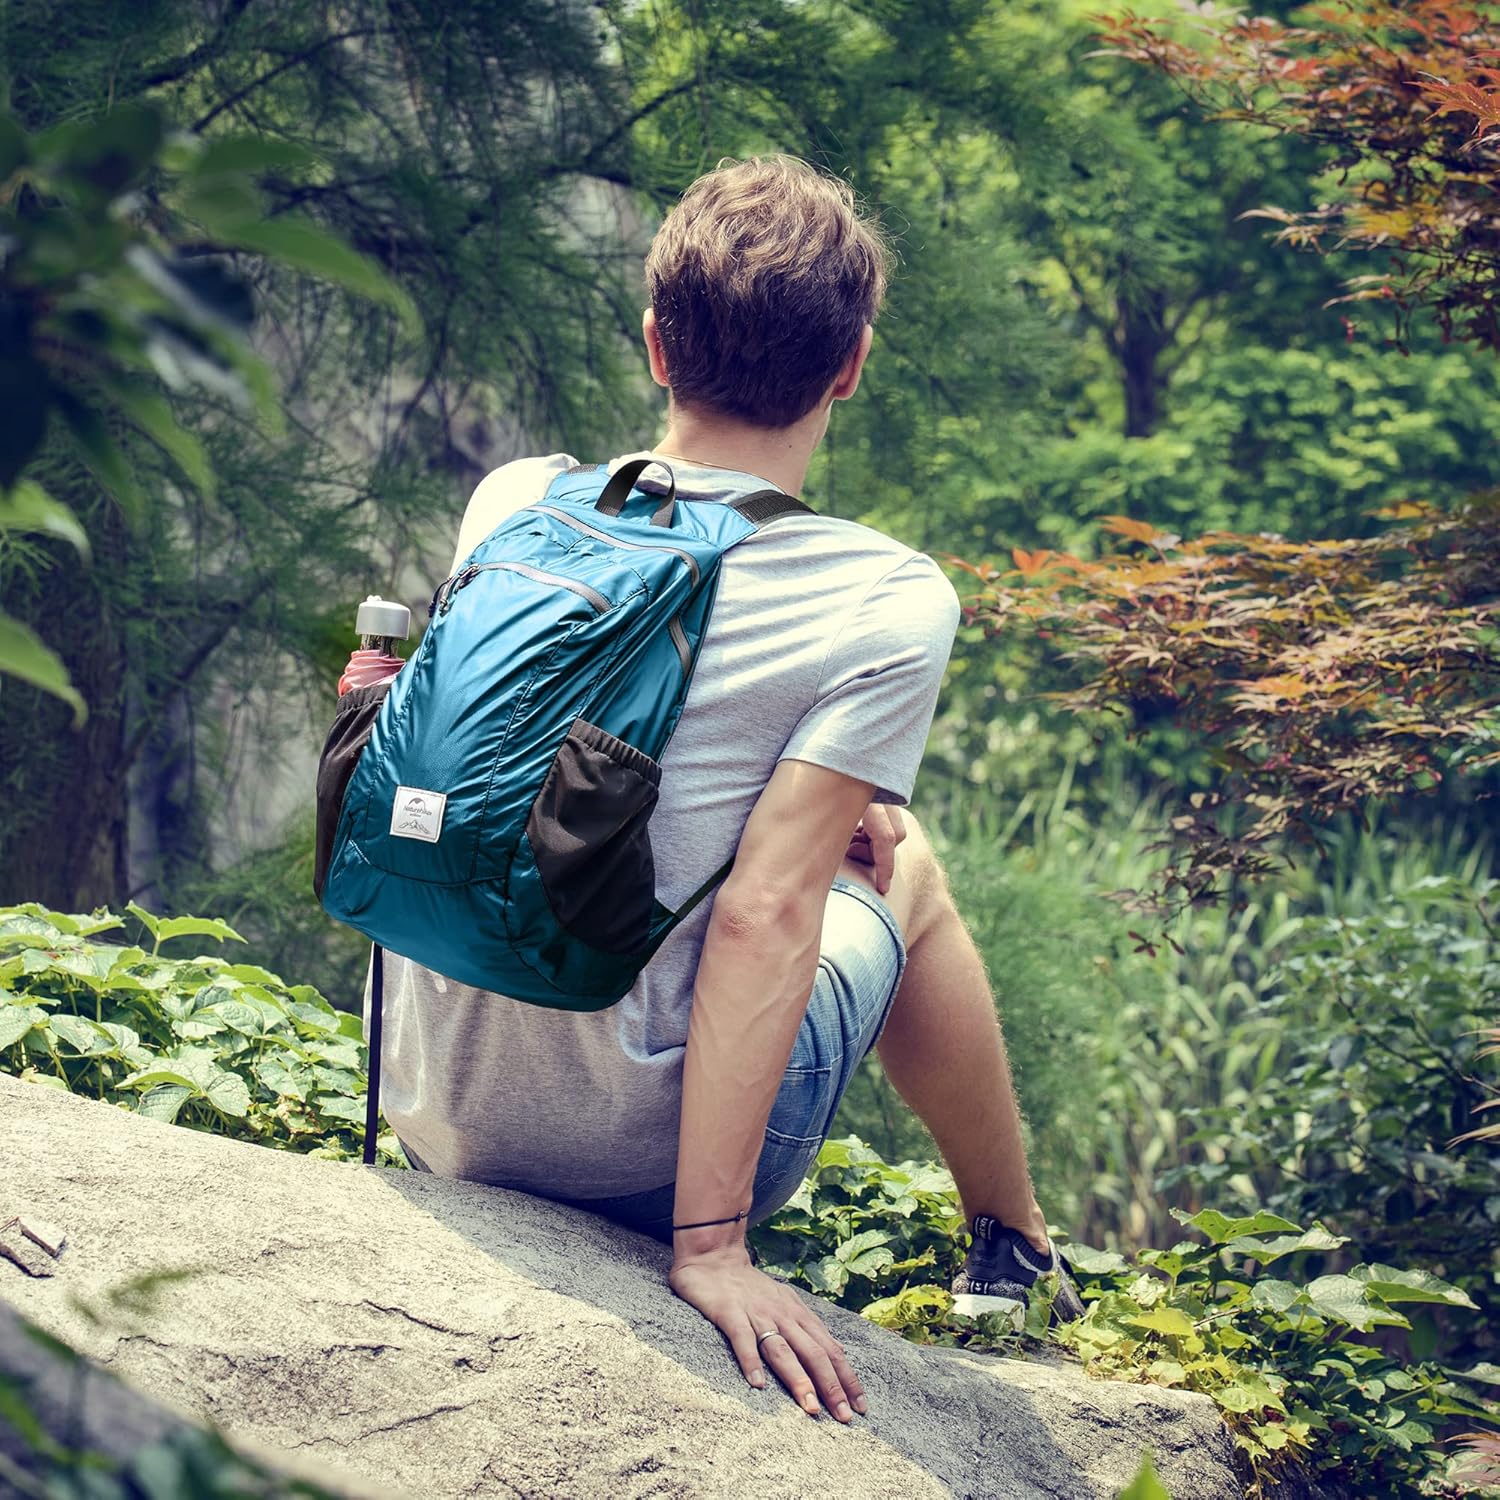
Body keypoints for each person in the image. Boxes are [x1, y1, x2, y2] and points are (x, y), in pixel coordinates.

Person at [374, 154, 1080, 1427]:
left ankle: (1008, 1251)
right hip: (636, 1175)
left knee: (850, 832)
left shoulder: (517, 501)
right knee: (902, 869)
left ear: (656, 343)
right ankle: (1014, 1254)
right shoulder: (883, 596)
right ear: (851, 364)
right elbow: (761, 916)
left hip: (435, 1113)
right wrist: (708, 1251)